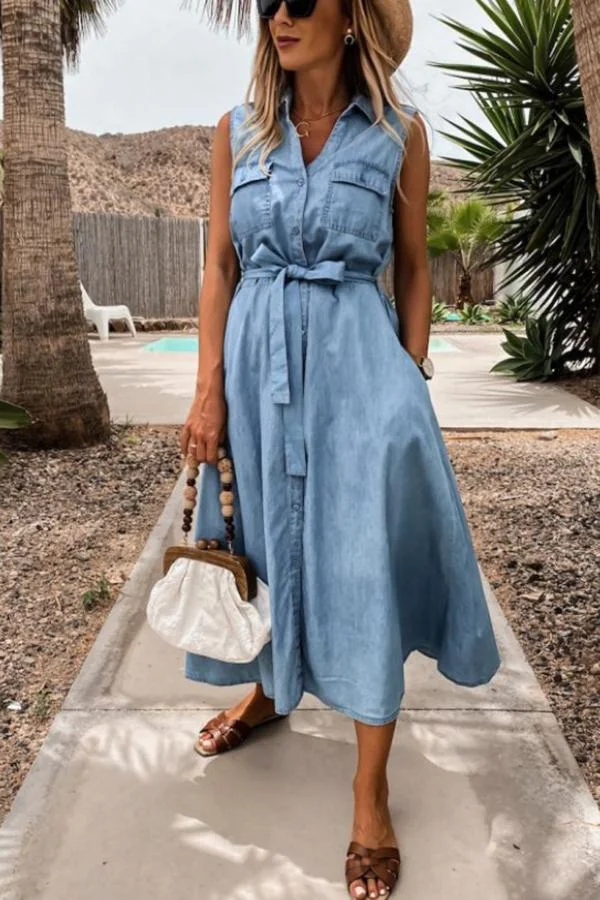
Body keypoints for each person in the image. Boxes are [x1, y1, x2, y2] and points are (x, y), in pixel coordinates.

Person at [179, 0, 501, 896]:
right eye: (268, 4)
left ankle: (369, 792)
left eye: (300, 1)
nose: (279, 17)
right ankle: (269, 691)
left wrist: (410, 373)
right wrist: (207, 388)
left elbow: (414, 263)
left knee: (361, 569)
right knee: (262, 545)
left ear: (351, 17)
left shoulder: (401, 134)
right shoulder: (237, 131)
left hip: (362, 378)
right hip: (257, 377)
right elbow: (219, 265)